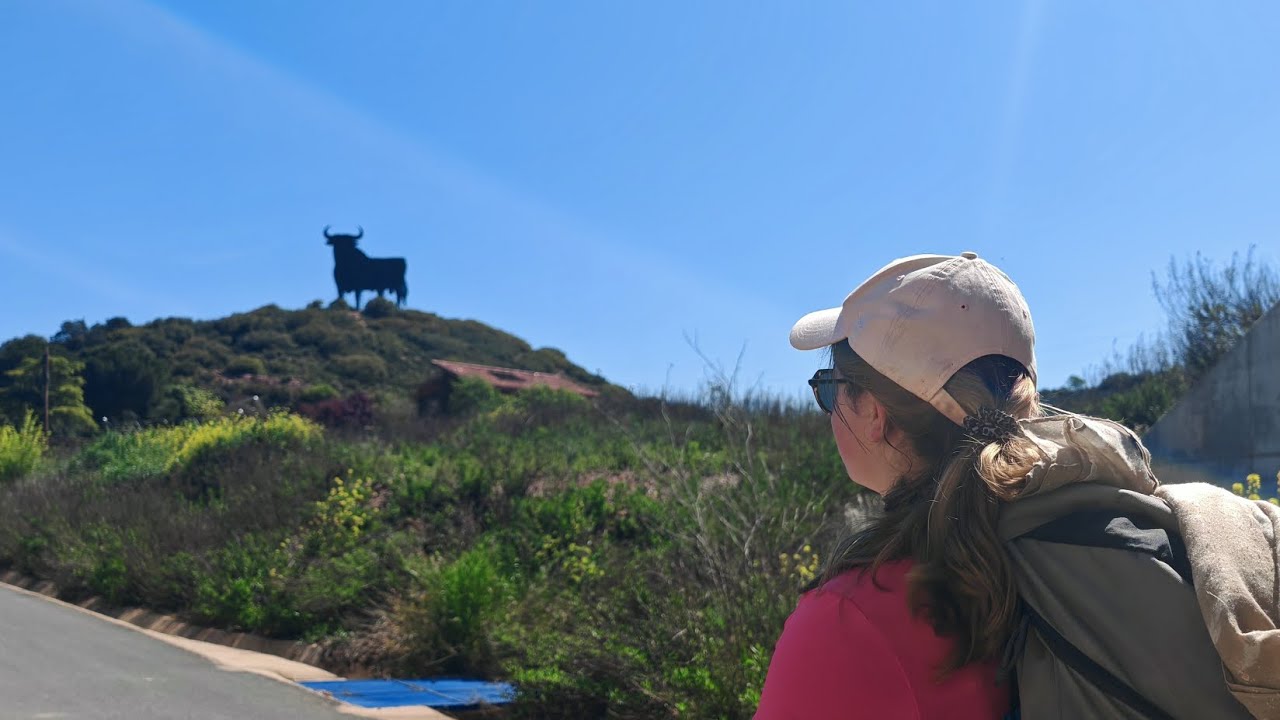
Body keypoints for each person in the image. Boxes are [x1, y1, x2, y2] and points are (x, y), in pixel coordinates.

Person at [754, 252, 1277, 719]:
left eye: (829, 388)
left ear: (874, 413)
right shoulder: (1105, 526)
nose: (828, 410)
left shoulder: (850, 624)